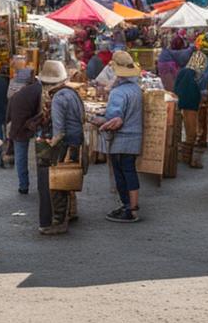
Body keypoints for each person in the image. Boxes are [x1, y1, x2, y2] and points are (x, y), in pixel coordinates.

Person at [94, 51, 144, 223]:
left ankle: (129, 208)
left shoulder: (118, 93)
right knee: (130, 171)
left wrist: (96, 119)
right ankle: (132, 207)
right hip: (135, 136)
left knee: (122, 174)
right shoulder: (136, 89)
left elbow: (115, 119)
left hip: (122, 139)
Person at [36, 60, 84, 235]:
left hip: (65, 143)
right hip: (76, 141)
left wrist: (51, 144)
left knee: (57, 183)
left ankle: (58, 222)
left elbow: (59, 131)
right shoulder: (72, 93)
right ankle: (70, 213)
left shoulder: (58, 99)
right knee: (68, 178)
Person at [8, 66, 44, 194]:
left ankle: (23, 186)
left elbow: (8, 114)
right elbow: (41, 110)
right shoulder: (39, 89)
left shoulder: (18, 93)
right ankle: (41, 184)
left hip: (19, 127)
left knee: (21, 157)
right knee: (41, 155)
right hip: (25, 125)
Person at [174, 60, 208, 169]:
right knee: (192, 133)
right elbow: (203, 91)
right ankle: (189, 159)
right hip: (191, 104)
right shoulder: (198, 74)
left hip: (181, 102)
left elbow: (176, 87)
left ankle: (183, 156)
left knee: (185, 131)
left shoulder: (182, 71)